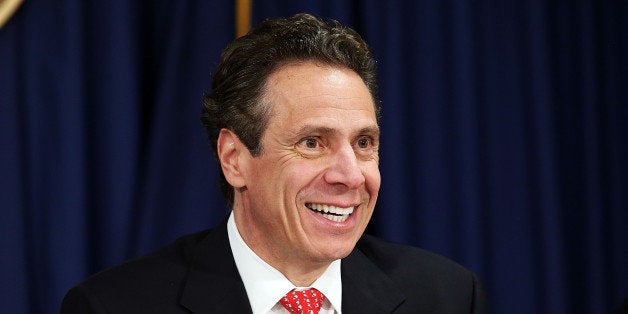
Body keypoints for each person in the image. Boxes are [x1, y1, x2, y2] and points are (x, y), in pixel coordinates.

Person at [60, 13, 487, 313]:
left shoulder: (446, 297)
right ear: (234, 159)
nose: (351, 175)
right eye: (313, 142)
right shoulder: (113, 306)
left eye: (363, 142)